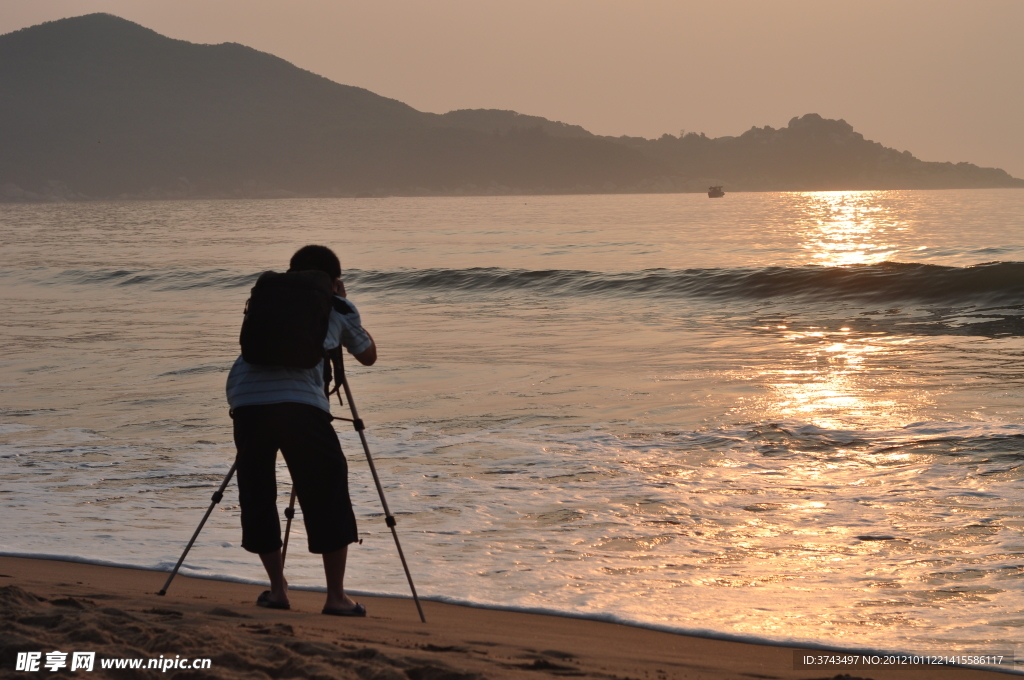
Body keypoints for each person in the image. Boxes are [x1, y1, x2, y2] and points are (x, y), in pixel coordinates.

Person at [226, 244, 376, 616]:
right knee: (327, 491)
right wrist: (345, 306)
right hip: (300, 406)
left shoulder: (267, 297)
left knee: (257, 491)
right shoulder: (335, 305)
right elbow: (368, 355)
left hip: (246, 399)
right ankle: (336, 597)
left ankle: (277, 590)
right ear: (334, 279)